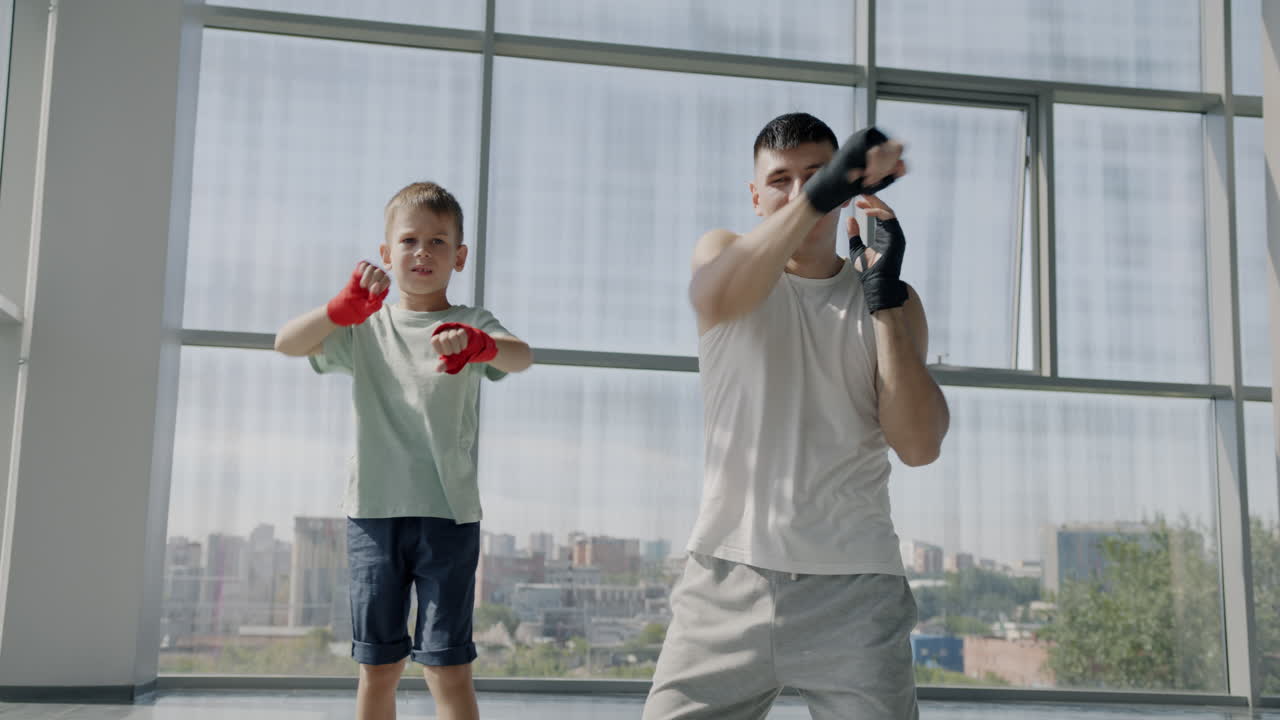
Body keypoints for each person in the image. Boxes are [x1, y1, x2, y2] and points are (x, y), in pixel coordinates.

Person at [642, 113, 950, 720]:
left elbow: (919, 446)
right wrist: (819, 193)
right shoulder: (723, 254)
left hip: (856, 587)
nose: (797, 191)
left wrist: (884, 303)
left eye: (815, 175)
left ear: (847, 189)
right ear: (755, 196)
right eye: (779, 180)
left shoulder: (895, 297)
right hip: (726, 578)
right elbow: (714, 295)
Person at [274, 181, 533, 720]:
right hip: (373, 513)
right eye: (409, 240)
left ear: (459, 256)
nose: (423, 252)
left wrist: (480, 345)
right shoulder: (365, 326)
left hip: (449, 515)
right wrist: (338, 309)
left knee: (448, 668)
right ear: (387, 253)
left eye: (438, 241)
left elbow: (521, 357)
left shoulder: (472, 322)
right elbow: (287, 343)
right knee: (378, 667)